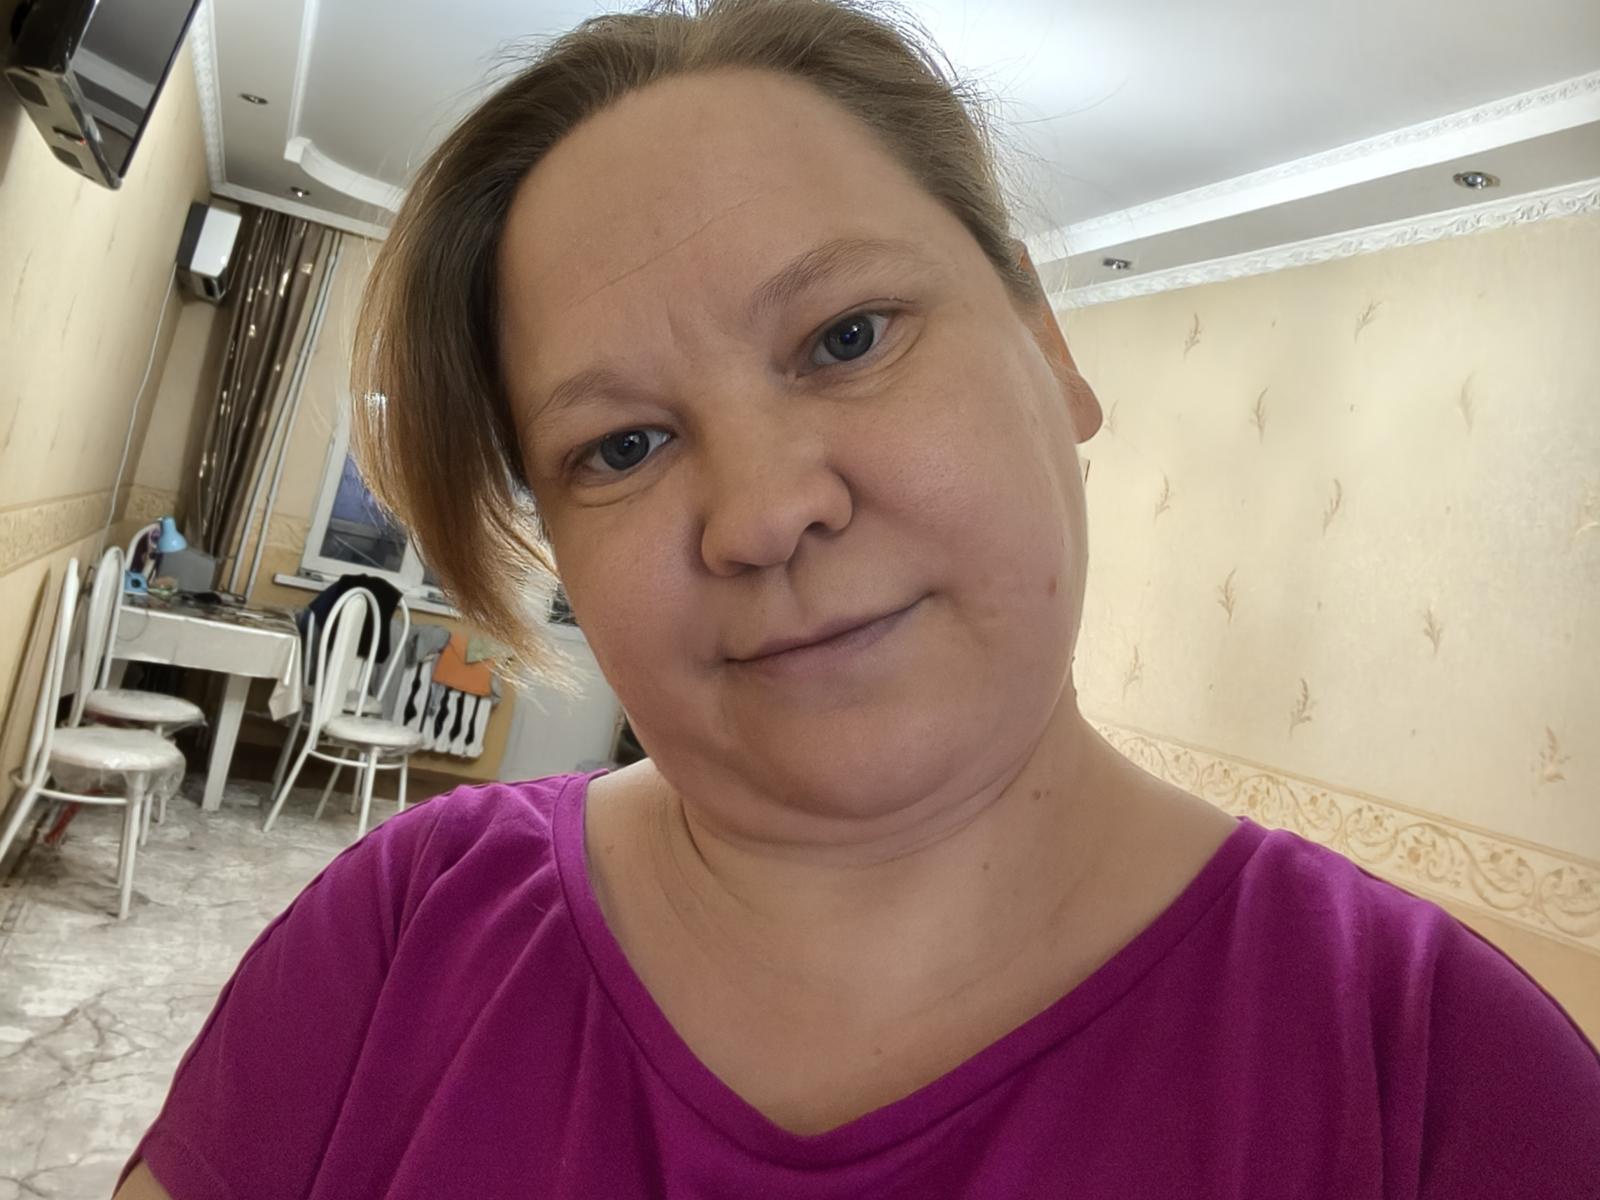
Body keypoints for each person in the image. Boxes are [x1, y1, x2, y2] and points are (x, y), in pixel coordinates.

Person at [116, 1, 1600, 1196]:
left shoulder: (1439, 1075)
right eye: (620, 445)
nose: (765, 512)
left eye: (847, 336)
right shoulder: (401, 934)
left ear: (1048, 346)